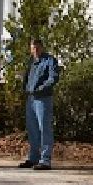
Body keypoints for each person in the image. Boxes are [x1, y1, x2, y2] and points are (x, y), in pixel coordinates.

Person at [18, 38, 60, 171]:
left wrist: (41, 88)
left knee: (44, 128)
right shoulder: (30, 61)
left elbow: (53, 78)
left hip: (43, 98)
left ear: (42, 47)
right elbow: (26, 78)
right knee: (32, 129)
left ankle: (45, 160)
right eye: (33, 47)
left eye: (37, 47)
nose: (35, 50)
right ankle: (33, 157)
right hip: (30, 98)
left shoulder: (49, 60)